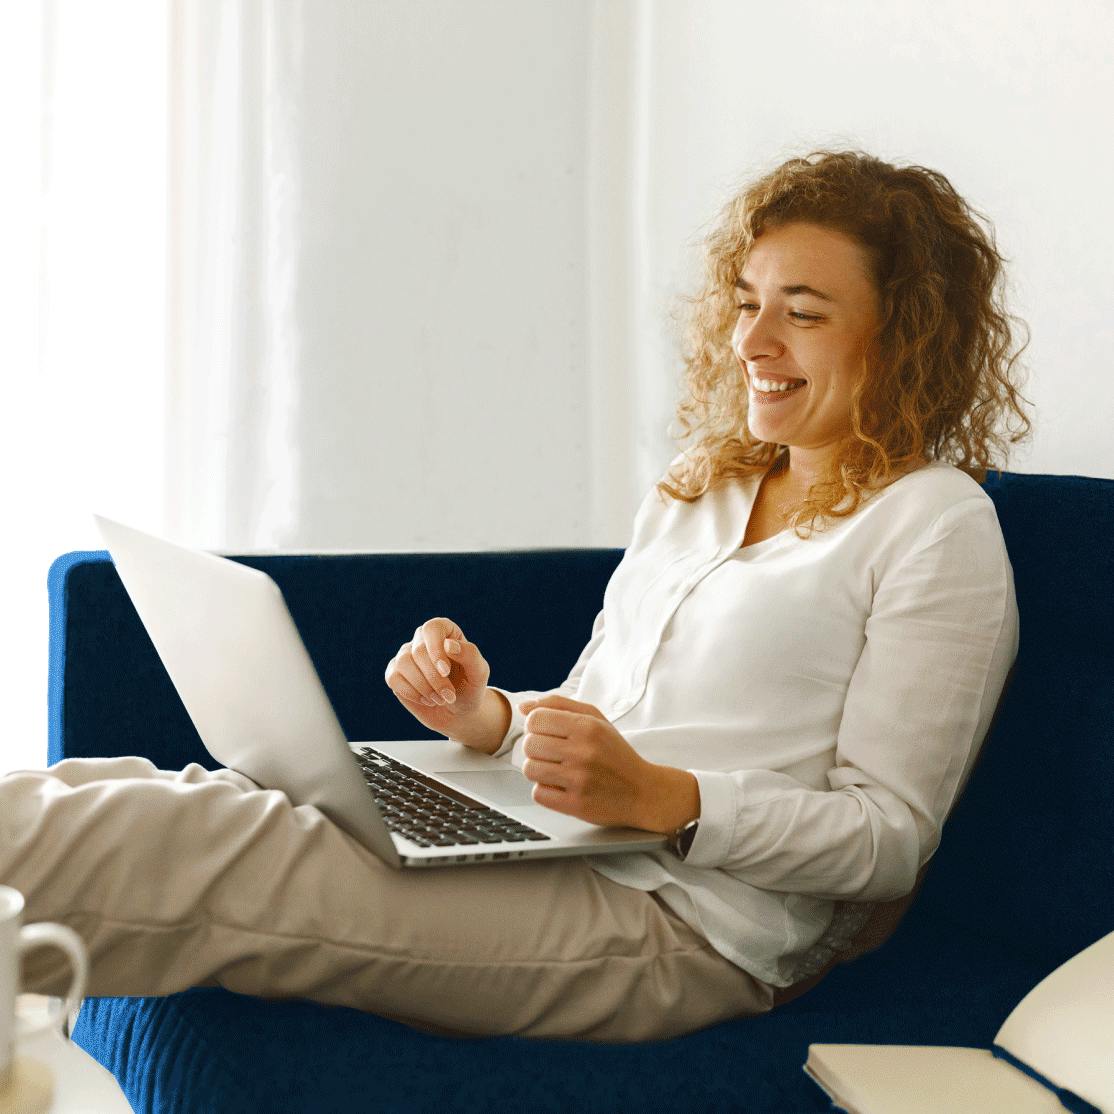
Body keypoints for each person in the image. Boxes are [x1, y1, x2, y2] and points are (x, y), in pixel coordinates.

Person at [1, 148, 1031, 1044]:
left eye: (801, 313)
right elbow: (606, 723)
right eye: (746, 302)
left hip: (685, 927)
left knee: (223, 850)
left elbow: (888, 838)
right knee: (150, 793)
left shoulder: (933, 525)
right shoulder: (704, 486)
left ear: (902, 339)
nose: (753, 341)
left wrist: (670, 800)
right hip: (551, 838)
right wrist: (491, 720)